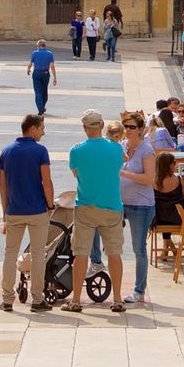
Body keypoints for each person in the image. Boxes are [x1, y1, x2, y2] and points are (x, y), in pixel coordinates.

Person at [65, 110, 127, 313]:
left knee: (81, 253)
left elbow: (76, 174)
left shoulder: (76, 151)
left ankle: (75, 300)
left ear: (85, 128)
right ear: (101, 126)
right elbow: (121, 163)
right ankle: (117, 299)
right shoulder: (116, 148)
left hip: (85, 205)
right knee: (114, 252)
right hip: (111, 205)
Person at [0, 113, 55, 312]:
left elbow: (2, 186)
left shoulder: (6, 152)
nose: (43, 132)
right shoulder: (40, 151)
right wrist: (50, 205)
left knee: (10, 253)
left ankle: (7, 299)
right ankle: (37, 299)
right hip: (37, 210)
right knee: (39, 254)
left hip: (14, 210)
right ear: (33, 129)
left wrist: (5, 213)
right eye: (41, 128)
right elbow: (46, 182)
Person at [114, 112, 157, 306]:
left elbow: (150, 179)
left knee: (138, 249)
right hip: (120, 203)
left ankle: (139, 290)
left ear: (140, 129)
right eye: (126, 126)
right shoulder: (121, 146)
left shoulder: (146, 150)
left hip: (141, 205)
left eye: (132, 127)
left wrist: (124, 172)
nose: (128, 130)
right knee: (111, 243)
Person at [149, 150, 184, 239]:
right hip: (178, 219)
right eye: (174, 163)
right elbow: (183, 197)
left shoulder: (153, 183)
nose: (175, 165)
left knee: (163, 205)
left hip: (159, 220)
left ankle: (167, 245)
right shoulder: (178, 180)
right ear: (168, 165)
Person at [27, 40, 57, 116]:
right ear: (45, 45)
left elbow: (31, 63)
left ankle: (40, 108)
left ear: (38, 46)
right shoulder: (49, 54)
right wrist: (55, 77)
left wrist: (28, 69)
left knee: (38, 91)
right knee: (44, 90)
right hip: (46, 73)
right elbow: (52, 66)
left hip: (37, 72)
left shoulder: (35, 53)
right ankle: (42, 106)